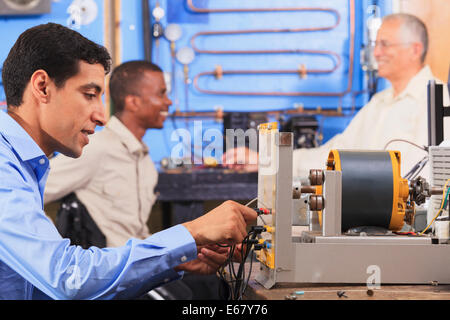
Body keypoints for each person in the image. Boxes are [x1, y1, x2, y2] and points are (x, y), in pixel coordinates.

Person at [0, 23, 256, 300]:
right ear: (42, 87)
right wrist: (191, 233)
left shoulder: (27, 165)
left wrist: (173, 259)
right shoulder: (5, 167)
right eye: (89, 95)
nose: (100, 116)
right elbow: (67, 278)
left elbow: (43, 286)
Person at [43, 60, 229, 299]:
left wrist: (177, 257)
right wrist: (52, 251)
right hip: (111, 277)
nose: (168, 102)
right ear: (133, 102)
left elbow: (137, 233)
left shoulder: (142, 157)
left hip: (141, 268)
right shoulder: (96, 149)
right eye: (161, 93)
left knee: (213, 286)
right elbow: (33, 191)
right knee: (183, 296)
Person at [224, 13, 449, 181]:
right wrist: (266, 159)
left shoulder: (437, 101)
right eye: (375, 44)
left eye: (385, 44)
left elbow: (428, 174)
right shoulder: (379, 102)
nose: (376, 53)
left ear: (415, 49)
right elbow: (334, 157)